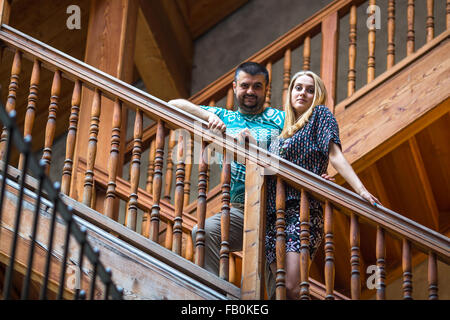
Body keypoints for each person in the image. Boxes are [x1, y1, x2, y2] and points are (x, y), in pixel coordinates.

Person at [169, 61, 286, 297]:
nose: (250, 91)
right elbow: (173, 104)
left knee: (277, 270)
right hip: (240, 209)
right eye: (245, 86)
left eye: (257, 86)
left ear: (266, 89)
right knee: (204, 231)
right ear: (234, 87)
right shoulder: (225, 116)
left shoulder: (280, 118)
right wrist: (208, 117)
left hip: (277, 209)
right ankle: (216, 296)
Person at [264, 70, 381, 300]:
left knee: (291, 285)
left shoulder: (320, 115)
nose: (303, 93)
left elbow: (335, 155)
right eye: (298, 88)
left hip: (302, 210)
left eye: (310, 90)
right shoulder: (281, 134)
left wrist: (361, 190)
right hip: (272, 215)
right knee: (281, 289)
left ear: (316, 96)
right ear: (290, 93)